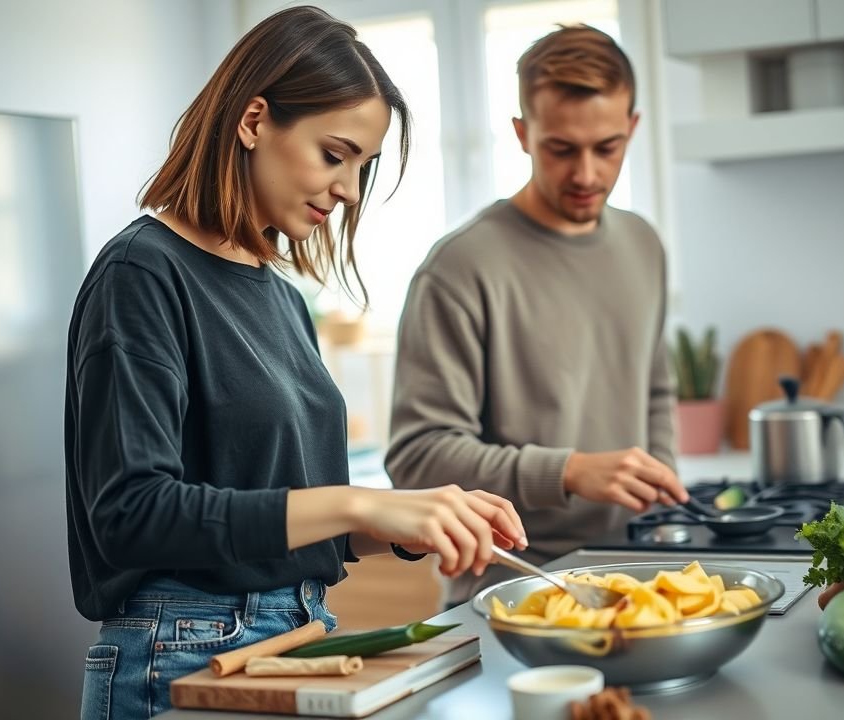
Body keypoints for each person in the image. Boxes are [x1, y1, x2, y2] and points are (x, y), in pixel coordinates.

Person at [64, 7, 526, 718]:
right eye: (334, 154)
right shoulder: (142, 273)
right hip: (183, 654)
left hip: (296, 637)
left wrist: (408, 521)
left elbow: (287, 524)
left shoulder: (281, 297)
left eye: (361, 167)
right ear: (254, 121)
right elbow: (131, 515)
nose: (347, 191)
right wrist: (358, 499)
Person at [385, 24, 688, 608]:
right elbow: (416, 458)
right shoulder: (459, 267)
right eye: (561, 148)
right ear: (523, 134)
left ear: (633, 127)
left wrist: (662, 484)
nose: (586, 175)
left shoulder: (642, 243)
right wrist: (568, 471)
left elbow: (653, 389)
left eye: (607, 148)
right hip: (516, 585)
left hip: (638, 568)